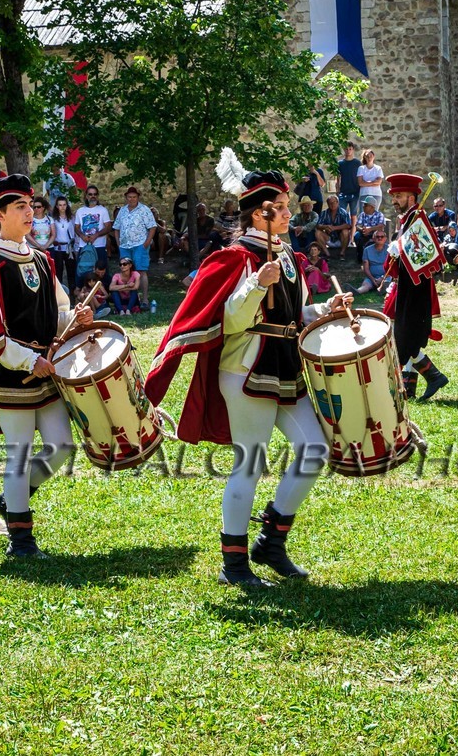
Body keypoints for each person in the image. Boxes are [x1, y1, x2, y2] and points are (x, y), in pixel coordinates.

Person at [143, 149, 352, 589]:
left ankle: (270, 542)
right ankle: (234, 565)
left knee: (315, 450)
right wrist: (258, 284)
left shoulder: (290, 258)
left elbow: (292, 314)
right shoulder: (236, 258)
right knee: (250, 464)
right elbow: (231, 318)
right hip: (245, 369)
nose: (289, 212)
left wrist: (323, 308)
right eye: (281, 207)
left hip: (286, 367)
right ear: (260, 214)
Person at [0, 173, 92, 558]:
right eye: (21, 207)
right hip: (11, 373)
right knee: (19, 453)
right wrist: (29, 359)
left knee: (61, 446)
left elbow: (55, 313)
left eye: (30, 205)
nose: (30, 212)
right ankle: (21, 540)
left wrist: (76, 317)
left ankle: (13, 500)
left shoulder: (43, 260)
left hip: (46, 371)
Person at [383, 174, 450, 401]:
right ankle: (413, 385)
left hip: (416, 287)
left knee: (406, 336)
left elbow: (424, 253)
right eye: (393, 196)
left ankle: (432, 376)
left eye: (399, 196)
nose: (395, 200)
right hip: (407, 286)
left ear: (412, 197)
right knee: (404, 336)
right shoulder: (408, 219)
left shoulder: (417, 218)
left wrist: (400, 248)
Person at [112, 187, 158, 310]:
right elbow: (116, 228)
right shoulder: (122, 211)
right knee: (126, 272)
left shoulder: (144, 210)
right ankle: (131, 299)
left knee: (141, 271)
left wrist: (146, 244)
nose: (131, 199)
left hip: (139, 245)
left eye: (134, 197)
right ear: (126, 197)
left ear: (138, 197)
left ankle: (144, 299)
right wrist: (118, 243)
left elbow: (152, 227)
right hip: (125, 246)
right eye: (129, 197)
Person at [74, 186, 112, 277]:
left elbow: (108, 227)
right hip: (84, 247)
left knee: (102, 274)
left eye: (95, 194)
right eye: (90, 194)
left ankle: (103, 291)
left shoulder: (103, 210)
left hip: (99, 246)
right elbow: (76, 227)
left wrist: (97, 235)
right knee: (83, 273)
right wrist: (82, 236)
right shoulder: (80, 211)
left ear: (97, 196)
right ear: (86, 196)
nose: (93, 196)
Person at [352, 197, 387, 263]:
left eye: (366, 205)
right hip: (363, 233)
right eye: (364, 205)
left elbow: (381, 226)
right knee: (356, 235)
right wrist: (363, 229)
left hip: (375, 234)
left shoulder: (379, 215)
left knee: (378, 237)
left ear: (372, 207)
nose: (363, 206)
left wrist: (370, 229)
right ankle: (360, 256)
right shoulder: (362, 214)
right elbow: (357, 225)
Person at [335, 143, 361, 216]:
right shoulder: (340, 163)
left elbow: (360, 176)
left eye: (350, 149)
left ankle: (353, 227)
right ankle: (343, 227)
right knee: (341, 213)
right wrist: (337, 189)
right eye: (346, 149)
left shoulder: (357, 163)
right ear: (344, 150)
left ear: (353, 150)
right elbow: (338, 177)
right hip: (343, 192)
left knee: (353, 214)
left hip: (355, 192)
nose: (348, 151)